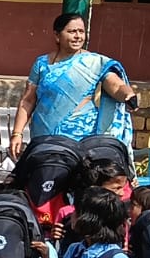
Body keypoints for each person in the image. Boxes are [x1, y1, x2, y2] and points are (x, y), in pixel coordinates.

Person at [10, 12, 138, 159]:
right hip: (44, 136)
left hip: (81, 137)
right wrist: (17, 133)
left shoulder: (95, 63)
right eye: (72, 31)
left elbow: (115, 85)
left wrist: (128, 95)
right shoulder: (42, 64)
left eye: (81, 31)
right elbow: (28, 100)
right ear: (57, 36)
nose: (78, 36)